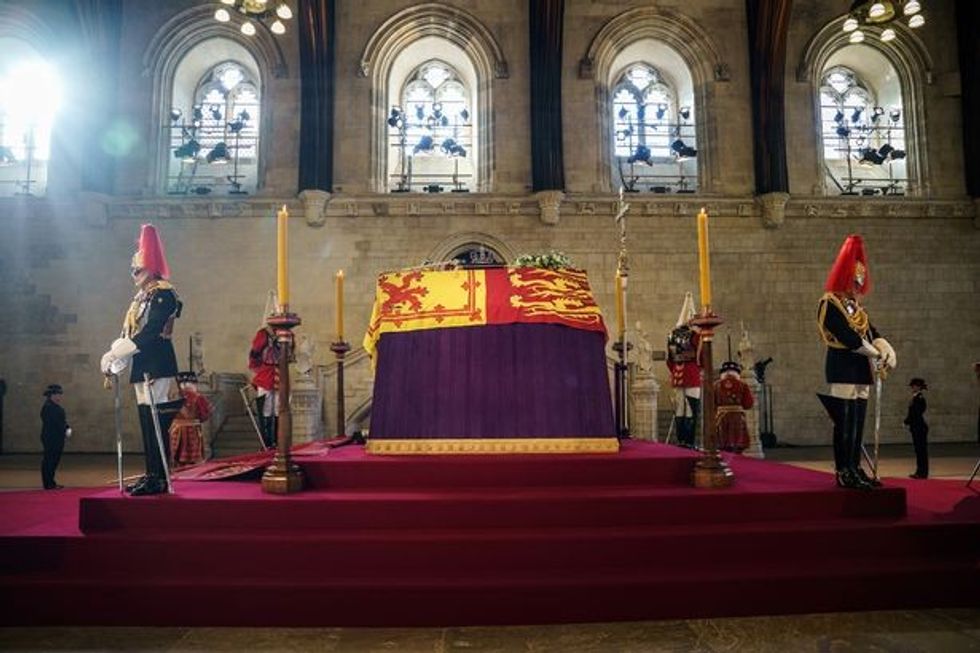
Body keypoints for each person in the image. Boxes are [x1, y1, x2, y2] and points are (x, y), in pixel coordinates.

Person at [100, 224, 183, 496]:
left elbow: (151, 330)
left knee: (157, 425)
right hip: (143, 366)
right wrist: (116, 357)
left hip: (158, 366)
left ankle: (159, 478)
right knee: (147, 423)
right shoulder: (141, 298)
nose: (134, 274)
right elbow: (132, 331)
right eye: (133, 270)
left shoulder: (163, 294)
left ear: (151, 267)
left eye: (138, 269)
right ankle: (151, 475)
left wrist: (120, 351)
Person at [817, 234, 897, 490]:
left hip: (860, 369)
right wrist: (875, 353)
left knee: (858, 422)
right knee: (845, 423)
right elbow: (849, 338)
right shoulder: (829, 304)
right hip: (842, 365)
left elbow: (869, 330)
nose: (857, 285)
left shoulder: (853, 306)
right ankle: (843, 470)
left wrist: (884, 346)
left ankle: (855, 467)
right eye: (854, 280)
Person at [666, 292, 701, 448]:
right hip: (692, 373)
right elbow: (702, 356)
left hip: (677, 375)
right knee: (691, 408)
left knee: (679, 408)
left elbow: (669, 360)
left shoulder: (671, 335)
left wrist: (674, 370)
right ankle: (689, 441)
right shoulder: (696, 336)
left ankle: (681, 440)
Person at [249, 291, 281, 449]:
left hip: (280, 374)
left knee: (278, 408)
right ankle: (267, 442)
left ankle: (278, 440)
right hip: (266, 373)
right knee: (266, 408)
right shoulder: (262, 334)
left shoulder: (285, 333)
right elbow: (255, 352)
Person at [169, 371, 212, 467]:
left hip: (175, 429)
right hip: (192, 430)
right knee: (192, 458)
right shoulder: (198, 397)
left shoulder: (172, 396)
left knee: (177, 456)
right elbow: (205, 415)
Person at [713, 361, 755, 453]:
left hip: (721, 418)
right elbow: (748, 404)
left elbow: (712, 404)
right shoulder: (743, 385)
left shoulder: (716, 385)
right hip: (737, 418)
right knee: (738, 446)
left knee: (722, 446)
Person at [40, 384, 70, 490]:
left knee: (54, 460)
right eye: (57, 394)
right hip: (51, 437)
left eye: (59, 394)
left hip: (56, 437)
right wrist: (64, 429)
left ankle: (51, 482)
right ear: (51, 395)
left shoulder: (55, 407)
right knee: (49, 460)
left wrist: (67, 427)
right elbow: (54, 423)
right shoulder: (48, 407)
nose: (59, 397)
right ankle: (48, 483)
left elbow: (61, 421)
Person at [904, 378, 929, 479]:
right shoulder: (915, 397)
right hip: (916, 426)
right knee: (919, 451)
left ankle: (922, 472)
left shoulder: (919, 398)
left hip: (919, 427)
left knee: (921, 451)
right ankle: (919, 471)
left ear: (918, 387)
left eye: (914, 386)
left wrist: (907, 421)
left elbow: (916, 413)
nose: (912, 387)